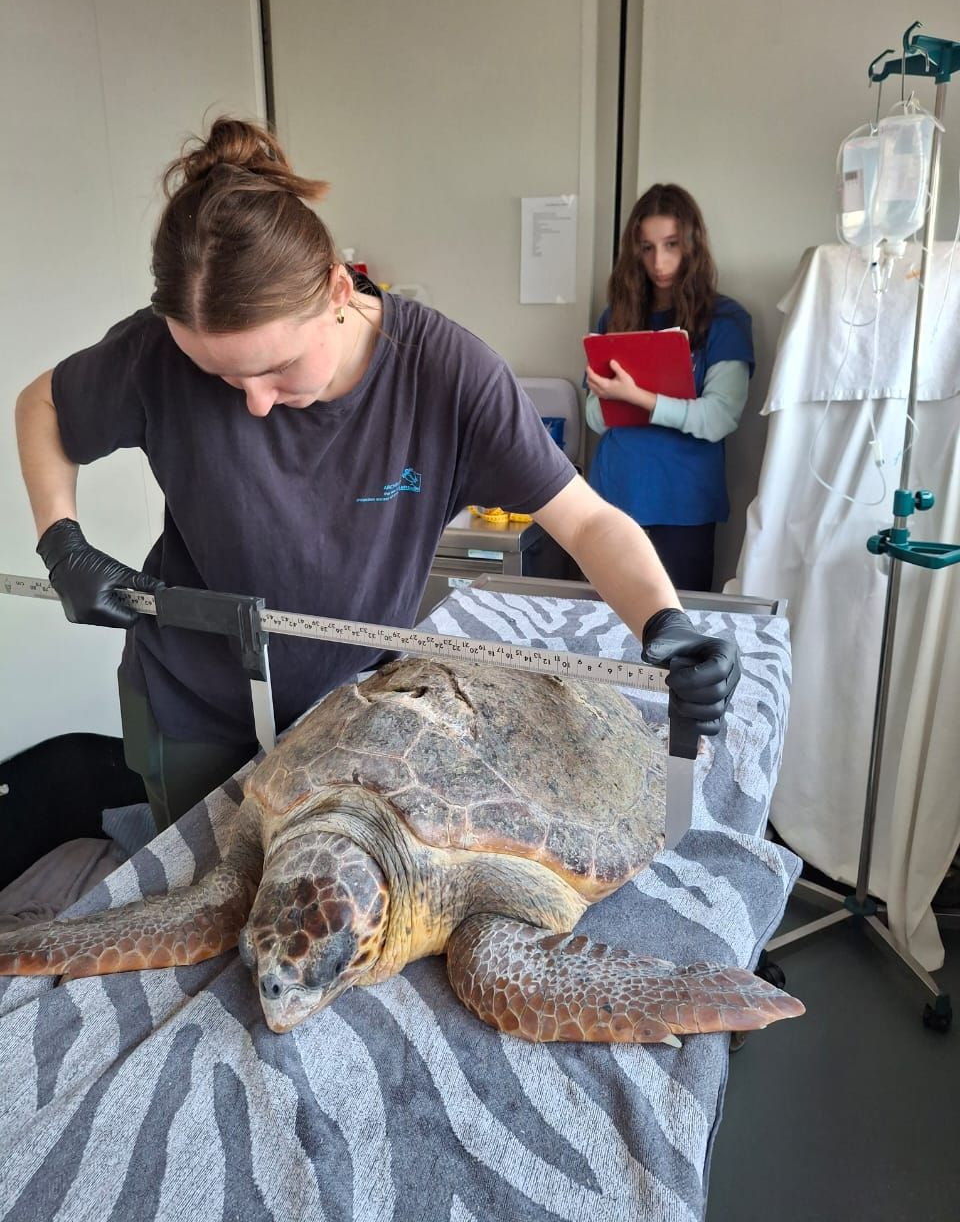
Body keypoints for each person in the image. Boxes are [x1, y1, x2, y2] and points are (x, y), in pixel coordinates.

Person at [16, 119, 741, 832]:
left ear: (337, 291)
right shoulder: (154, 355)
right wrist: (61, 542)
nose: (256, 403)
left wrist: (665, 619)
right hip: (192, 711)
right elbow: (44, 404)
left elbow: (585, 520)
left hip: (355, 711)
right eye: (220, 377)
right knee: (209, 908)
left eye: (275, 368)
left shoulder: (447, 375)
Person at [585, 184, 754, 592]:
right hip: (613, 497)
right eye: (646, 248)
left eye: (671, 245)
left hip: (682, 507)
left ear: (692, 245)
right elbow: (594, 417)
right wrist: (608, 397)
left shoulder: (725, 320)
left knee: (675, 636)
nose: (659, 262)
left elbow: (718, 418)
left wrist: (636, 398)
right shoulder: (618, 316)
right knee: (601, 631)